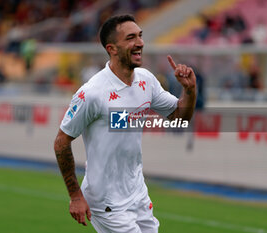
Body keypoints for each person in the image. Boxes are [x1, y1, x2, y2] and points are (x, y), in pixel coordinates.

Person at [53, 14, 196, 233]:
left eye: (140, 35)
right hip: (106, 202)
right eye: (131, 38)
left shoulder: (146, 80)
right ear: (112, 49)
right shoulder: (92, 93)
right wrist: (74, 196)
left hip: (137, 193)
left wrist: (189, 90)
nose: (140, 42)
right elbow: (62, 141)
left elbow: (179, 117)